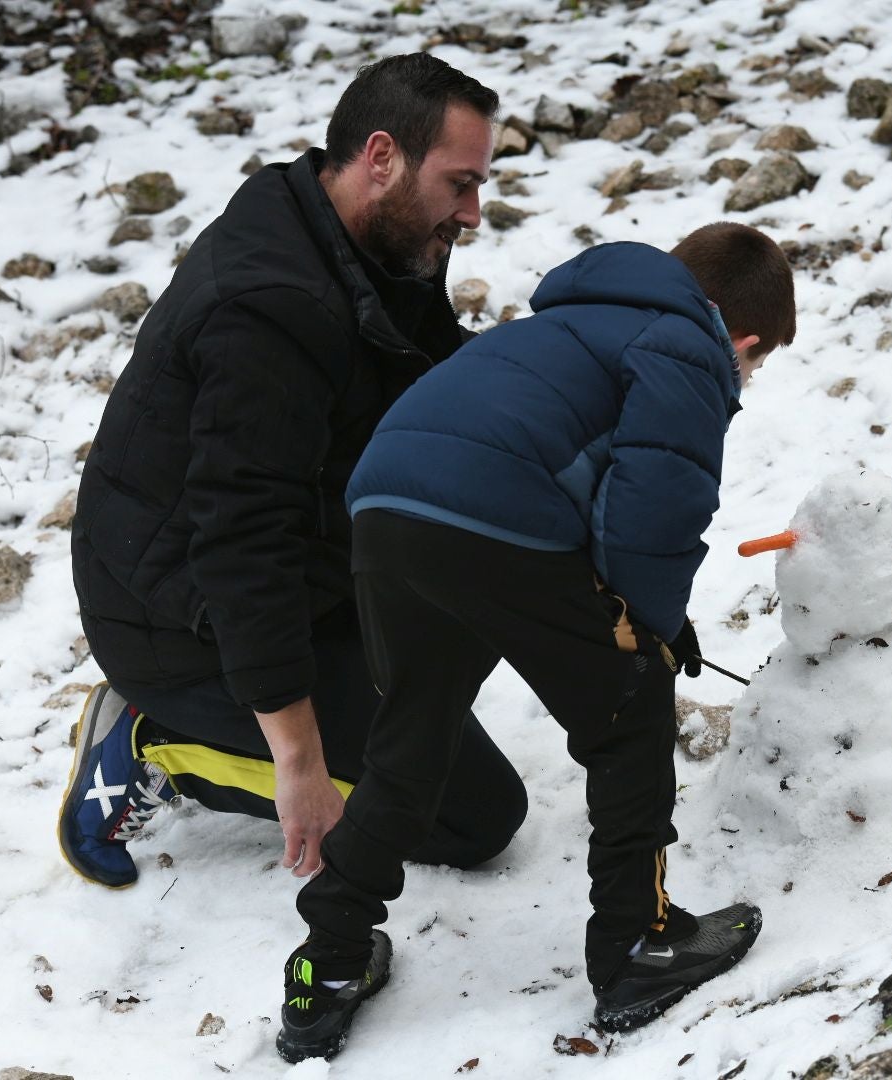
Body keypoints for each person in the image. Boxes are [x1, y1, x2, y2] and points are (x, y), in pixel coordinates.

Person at [276, 223, 798, 1061]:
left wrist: (638, 612)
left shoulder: (555, 326)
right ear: (744, 337)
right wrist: (651, 634)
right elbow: (655, 506)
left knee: (412, 739)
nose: (749, 376)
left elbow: (571, 470)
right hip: (494, 518)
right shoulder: (689, 346)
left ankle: (328, 966)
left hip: (384, 512)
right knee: (631, 706)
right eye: (758, 363)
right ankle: (639, 943)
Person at [60, 54, 526, 896]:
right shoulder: (269, 306)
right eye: (460, 183)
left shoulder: (358, 233)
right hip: (180, 620)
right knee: (473, 817)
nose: (474, 213)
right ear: (380, 157)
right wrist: (301, 761)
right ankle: (153, 740)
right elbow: (242, 543)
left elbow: (425, 371)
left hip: (304, 567)